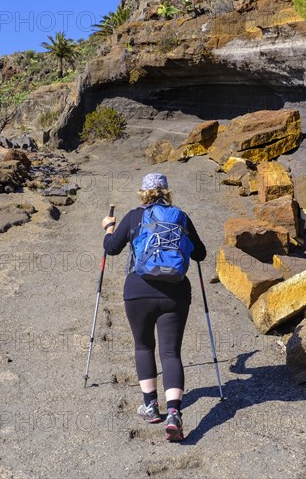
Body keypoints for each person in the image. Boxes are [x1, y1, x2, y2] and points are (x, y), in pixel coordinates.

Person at [102, 173, 206, 442]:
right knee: (171, 353)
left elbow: (111, 249)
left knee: (144, 346)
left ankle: (150, 406)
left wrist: (108, 228)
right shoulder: (180, 216)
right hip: (176, 294)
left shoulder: (135, 216)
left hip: (138, 291)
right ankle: (173, 413)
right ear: (166, 192)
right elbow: (201, 254)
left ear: (143, 193)